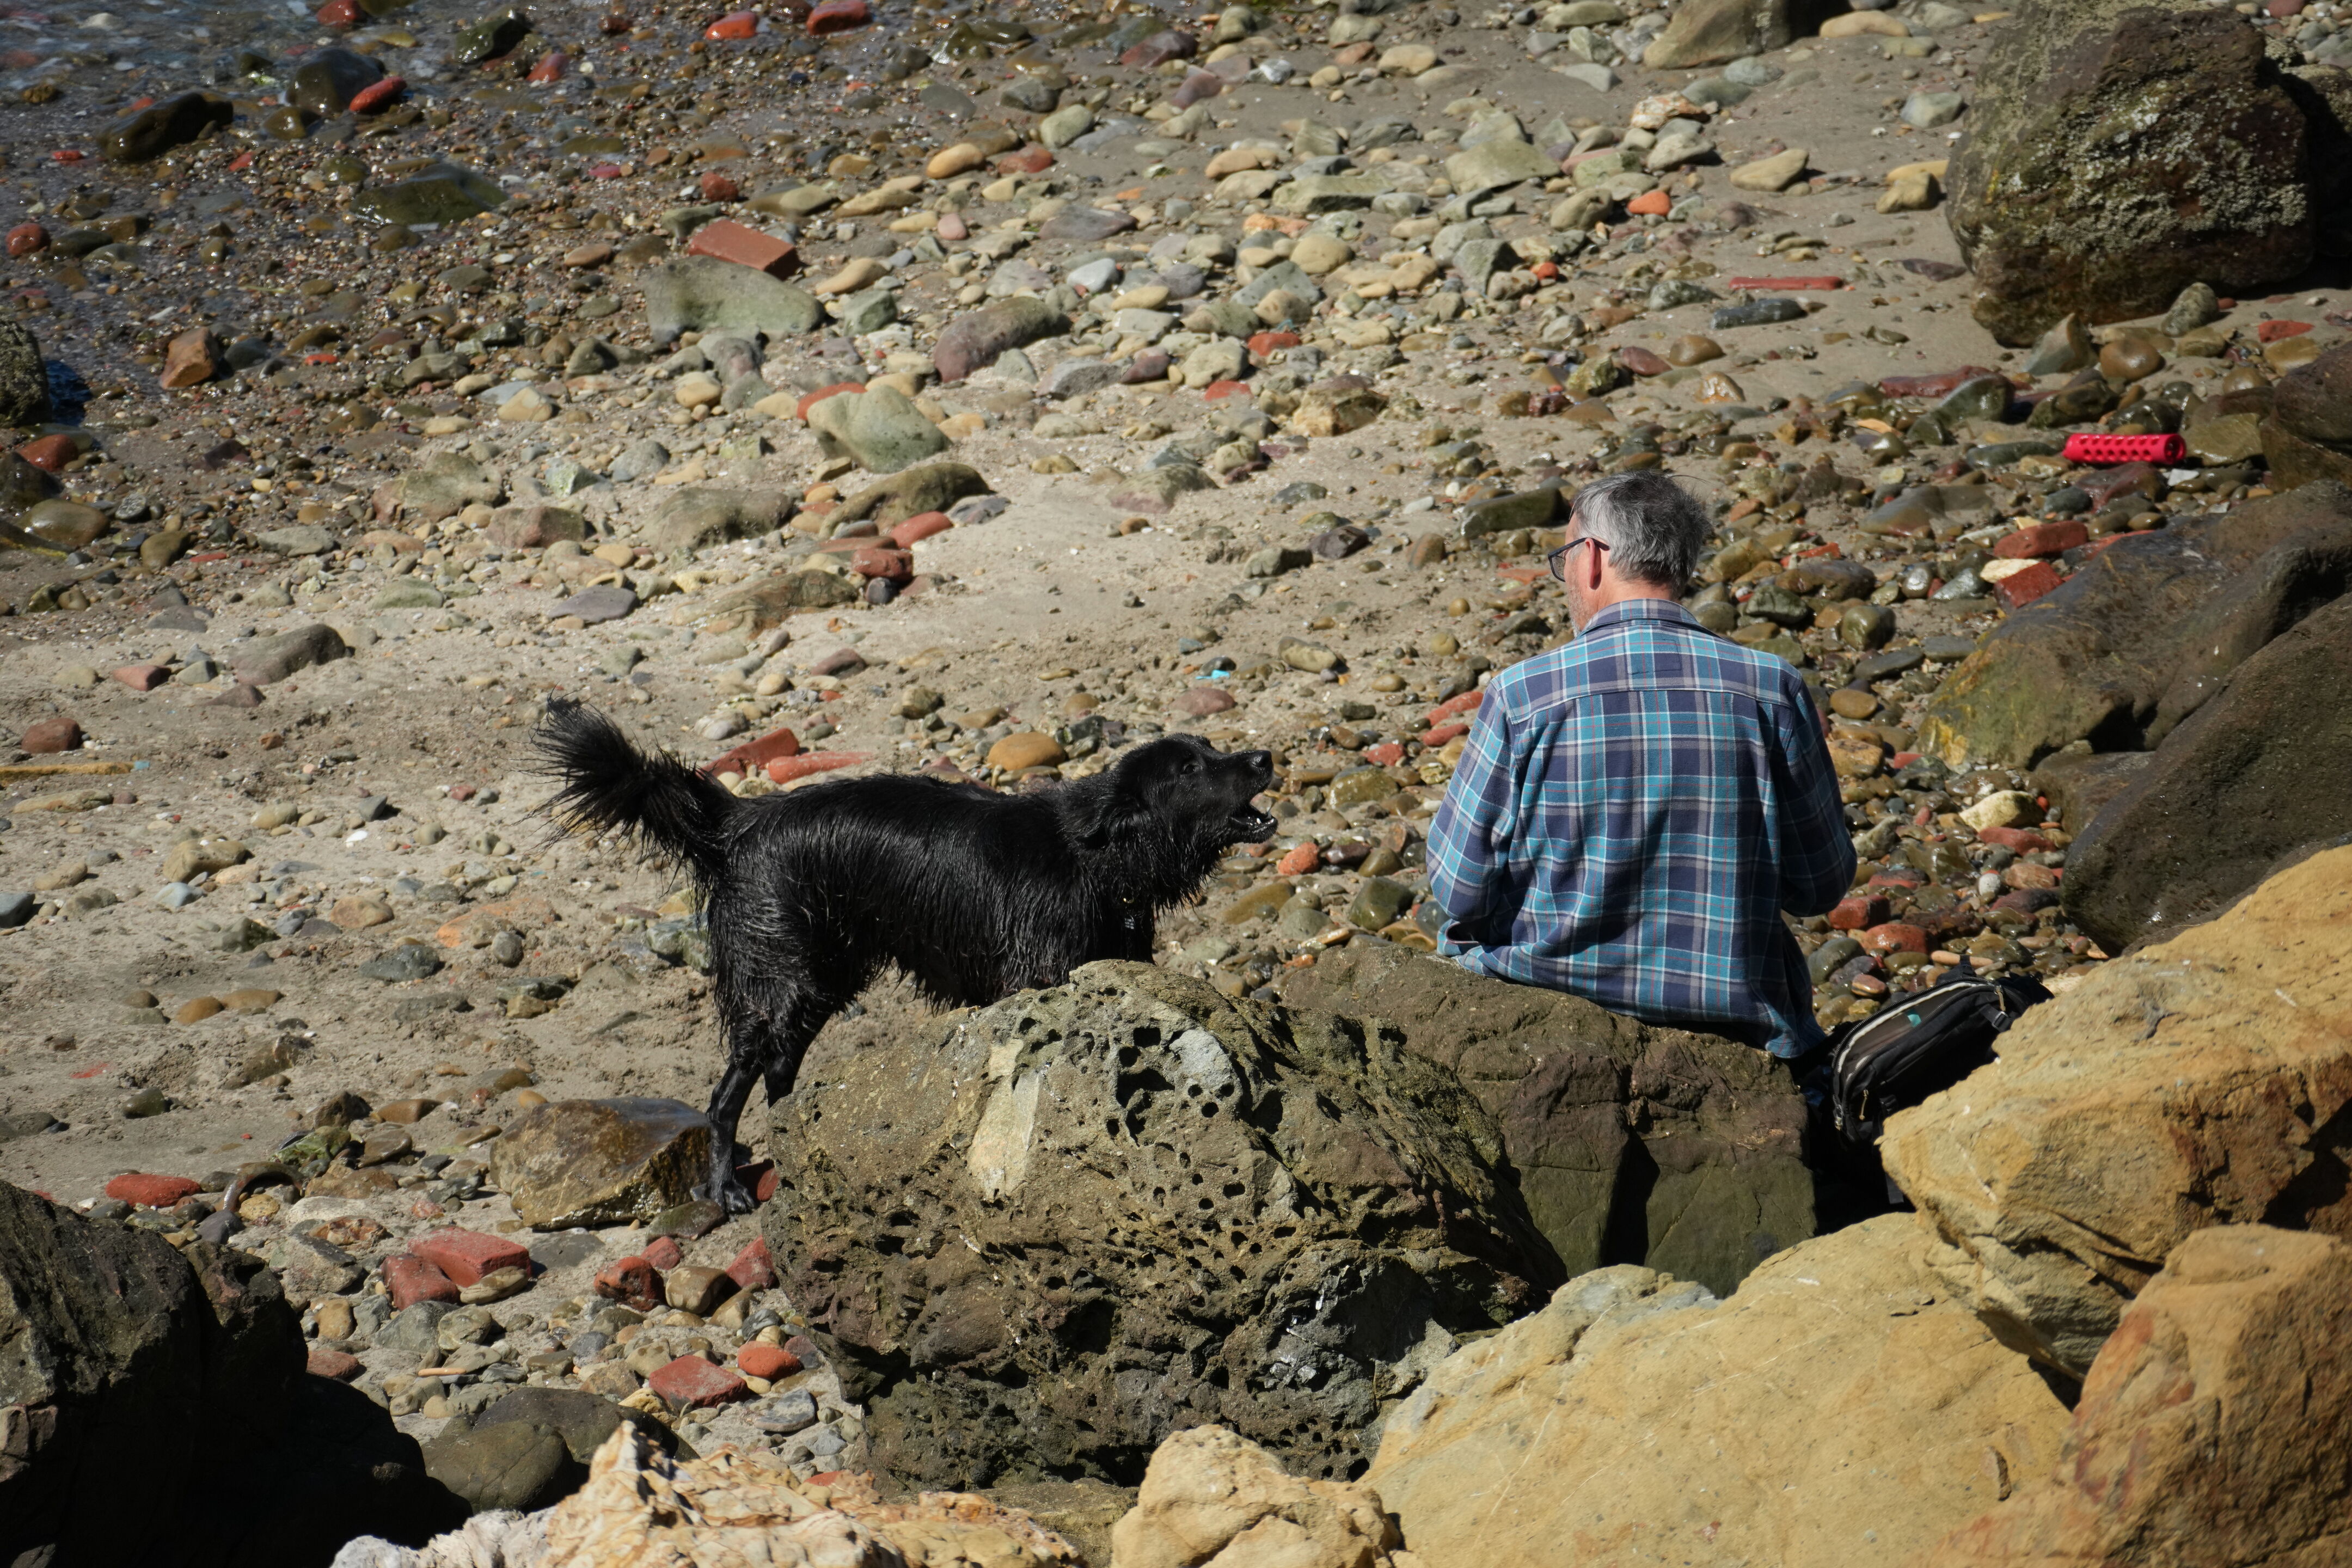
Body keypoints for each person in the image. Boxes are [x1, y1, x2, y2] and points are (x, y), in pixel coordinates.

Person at [1424, 469, 1855, 1061]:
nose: (1566, 579)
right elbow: (1821, 885)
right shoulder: (1771, 689)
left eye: (1564, 559)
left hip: (1549, 1010)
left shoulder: (1524, 694)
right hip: (1736, 1023)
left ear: (1593, 557)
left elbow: (1460, 886)